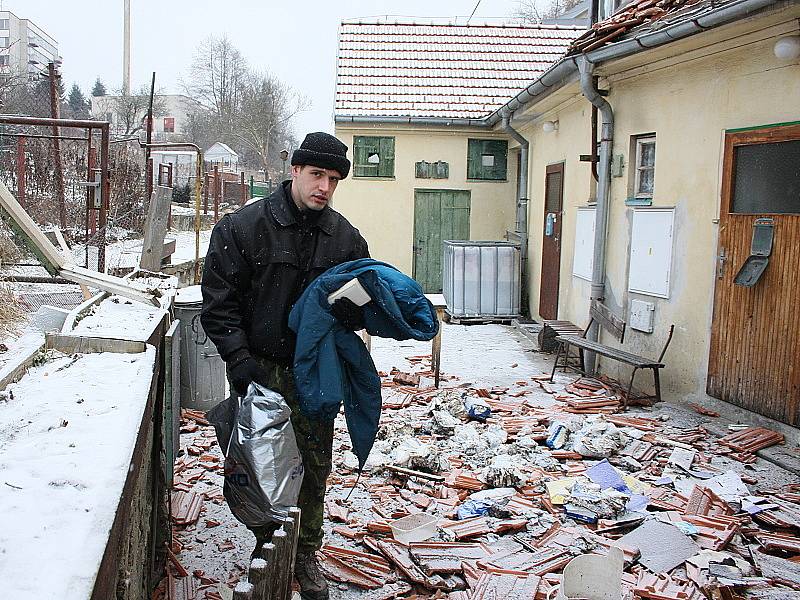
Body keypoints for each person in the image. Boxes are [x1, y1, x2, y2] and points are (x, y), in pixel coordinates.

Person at [201, 132, 369, 600]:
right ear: (294, 171)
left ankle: (305, 555)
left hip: (315, 371)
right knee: (263, 468)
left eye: (334, 180)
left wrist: (355, 309)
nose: (325, 188)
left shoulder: (346, 239)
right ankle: (267, 545)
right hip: (261, 370)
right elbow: (219, 301)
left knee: (314, 466)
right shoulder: (244, 228)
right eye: (317, 175)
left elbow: (358, 302)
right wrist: (237, 358)